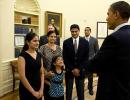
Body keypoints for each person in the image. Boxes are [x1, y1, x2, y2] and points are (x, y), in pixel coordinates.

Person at [86, 1, 130, 100]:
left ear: (116, 14)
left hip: (112, 93)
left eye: (108, 14)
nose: (106, 18)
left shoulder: (114, 38)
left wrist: (82, 65)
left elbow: (94, 64)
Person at [63, 24, 89, 100]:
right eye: (72, 31)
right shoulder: (66, 42)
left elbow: (86, 58)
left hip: (80, 71)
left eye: (76, 31)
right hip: (69, 70)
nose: (74, 33)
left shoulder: (85, 42)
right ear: (70, 32)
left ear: (79, 31)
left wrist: (79, 69)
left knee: (80, 91)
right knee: (68, 91)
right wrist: (72, 69)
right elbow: (65, 57)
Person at [18, 33, 44, 100]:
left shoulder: (39, 54)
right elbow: (22, 77)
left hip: (38, 87)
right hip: (27, 89)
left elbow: (42, 73)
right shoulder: (22, 56)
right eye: (35, 41)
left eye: (38, 41)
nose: (37, 43)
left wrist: (41, 89)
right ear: (27, 42)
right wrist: (33, 92)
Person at [39, 31, 62, 100]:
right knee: (48, 95)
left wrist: (60, 72)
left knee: (58, 95)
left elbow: (61, 61)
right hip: (47, 75)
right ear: (47, 37)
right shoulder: (42, 48)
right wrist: (46, 73)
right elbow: (40, 63)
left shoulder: (59, 48)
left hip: (57, 75)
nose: (53, 38)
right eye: (51, 36)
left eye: (55, 37)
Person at [84, 27, 99, 95]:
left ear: (90, 31)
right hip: (82, 61)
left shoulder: (94, 40)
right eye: (85, 30)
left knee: (90, 77)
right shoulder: (81, 39)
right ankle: (81, 87)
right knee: (82, 76)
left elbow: (97, 51)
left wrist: (94, 59)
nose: (86, 31)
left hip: (90, 62)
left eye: (87, 30)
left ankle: (90, 89)